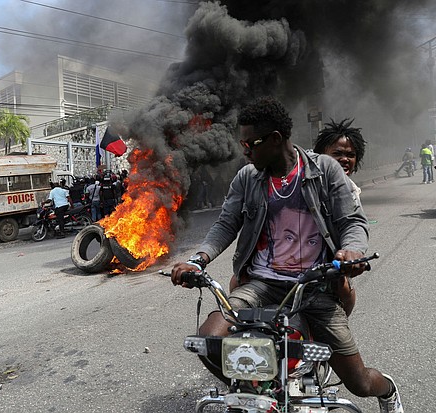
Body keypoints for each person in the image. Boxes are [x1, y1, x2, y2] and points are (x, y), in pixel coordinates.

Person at [170, 96, 403, 413]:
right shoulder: (247, 178)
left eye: (250, 143)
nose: (245, 151)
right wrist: (199, 260)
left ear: (275, 139)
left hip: (314, 287)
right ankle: (260, 392)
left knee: (359, 383)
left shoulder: (325, 170)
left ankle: (387, 390)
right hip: (261, 283)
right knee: (210, 340)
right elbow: (226, 223)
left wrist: (351, 251)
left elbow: (353, 222)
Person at [313, 118, 367, 316]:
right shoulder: (305, 180)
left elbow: (354, 224)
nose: (344, 159)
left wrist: (352, 251)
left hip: (329, 263)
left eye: (350, 155)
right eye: (337, 154)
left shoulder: (352, 190)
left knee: (345, 292)